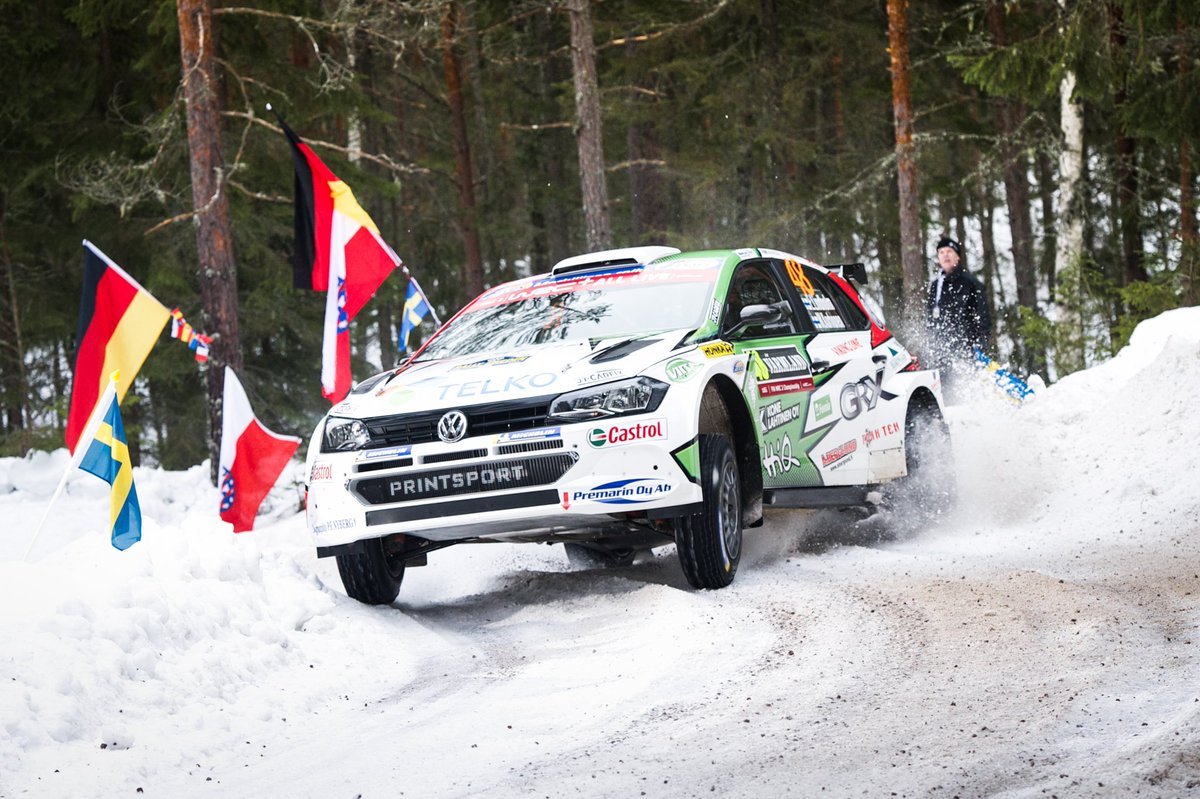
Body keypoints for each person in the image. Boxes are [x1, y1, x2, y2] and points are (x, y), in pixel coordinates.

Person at [925, 235, 990, 395]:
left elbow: (983, 317)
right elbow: (930, 316)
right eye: (941, 252)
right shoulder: (935, 286)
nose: (945, 255)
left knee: (967, 389)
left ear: (957, 256)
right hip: (941, 351)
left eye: (949, 251)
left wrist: (980, 344)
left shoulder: (971, 283)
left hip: (966, 347)